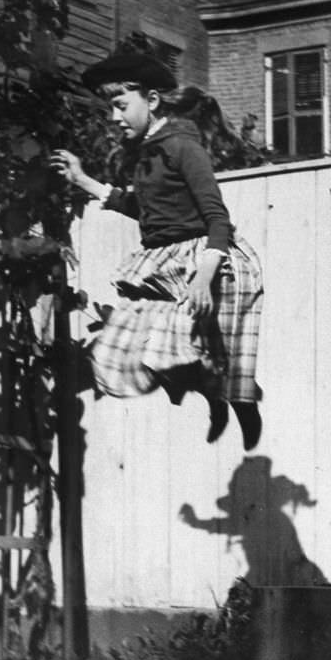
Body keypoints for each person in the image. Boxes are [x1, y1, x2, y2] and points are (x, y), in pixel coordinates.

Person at [52, 52, 263, 449]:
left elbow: (218, 218)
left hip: (208, 260)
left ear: (150, 102)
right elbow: (144, 209)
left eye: (120, 106)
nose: (113, 117)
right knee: (129, 349)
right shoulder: (145, 154)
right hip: (164, 262)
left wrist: (203, 277)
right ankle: (212, 397)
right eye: (109, 108)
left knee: (214, 352)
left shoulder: (184, 147)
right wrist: (82, 180)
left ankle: (242, 406)